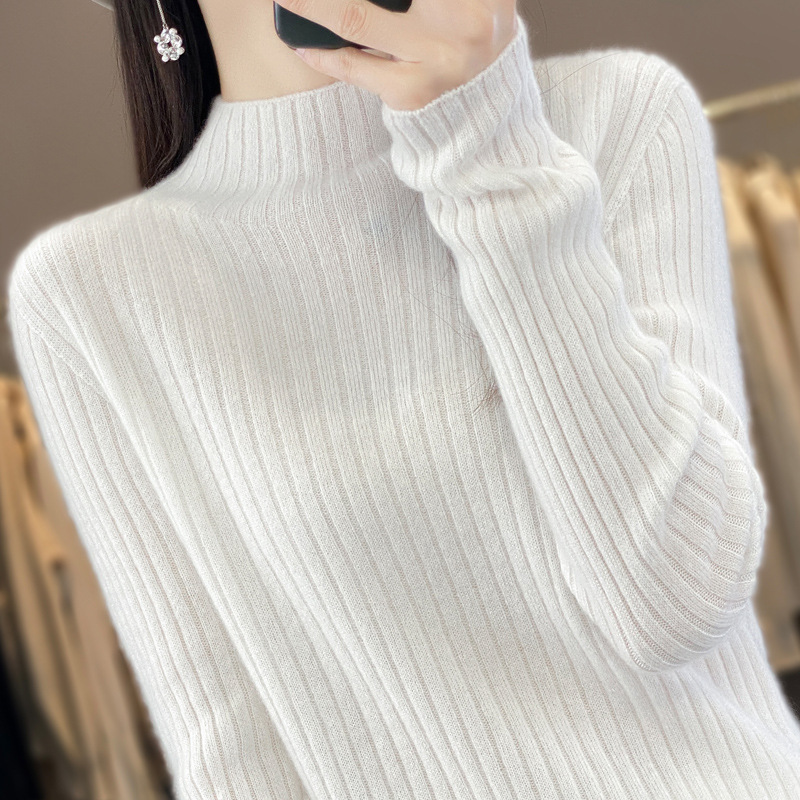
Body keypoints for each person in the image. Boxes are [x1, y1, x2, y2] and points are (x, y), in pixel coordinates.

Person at [6, 0, 800, 797]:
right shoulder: (88, 293)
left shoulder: (619, 114)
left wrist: (484, 136)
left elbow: (674, 603)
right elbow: (234, 759)